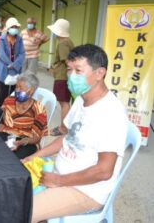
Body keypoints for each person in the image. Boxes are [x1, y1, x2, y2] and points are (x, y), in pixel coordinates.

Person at [24, 44, 128, 222]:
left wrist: (58, 181)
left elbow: (104, 171)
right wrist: (35, 156)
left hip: (85, 190)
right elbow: (68, 137)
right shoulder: (81, 99)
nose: (71, 77)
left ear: (99, 73)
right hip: (59, 175)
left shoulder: (112, 113)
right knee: (8, 186)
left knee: (19, 211)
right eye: (70, 70)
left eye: (78, 71)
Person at [0, 72, 47, 159]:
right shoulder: (9, 101)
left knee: (12, 159)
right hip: (6, 135)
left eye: (20, 88)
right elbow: (0, 121)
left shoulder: (39, 109)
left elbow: (37, 138)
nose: (16, 90)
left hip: (27, 142)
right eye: (16, 87)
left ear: (31, 91)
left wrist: (19, 143)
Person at [47, 18, 74, 136]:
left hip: (62, 76)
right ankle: (65, 126)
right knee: (65, 102)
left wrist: (70, 73)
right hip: (63, 76)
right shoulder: (68, 41)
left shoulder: (63, 43)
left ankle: (63, 128)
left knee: (64, 103)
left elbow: (66, 60)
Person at [0, 17, 25, 106]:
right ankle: (0, 114)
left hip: (15, 70)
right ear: (8, 28)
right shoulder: (2, 39)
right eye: (13, 27)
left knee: (13, 94)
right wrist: (9, 64)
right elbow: (1, 54)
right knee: (2, 95)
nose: (15, 29)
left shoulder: (19, 39)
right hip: (3, 69)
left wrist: (14, 65)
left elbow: (22, 54)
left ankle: (10, 114)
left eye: (16, 27)